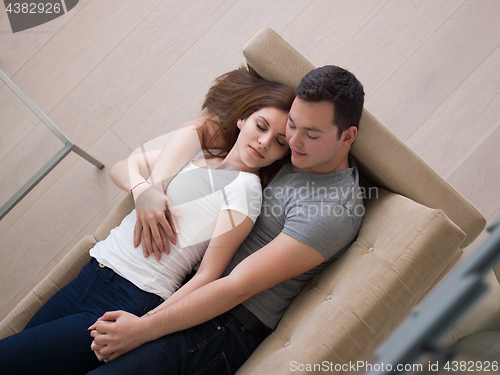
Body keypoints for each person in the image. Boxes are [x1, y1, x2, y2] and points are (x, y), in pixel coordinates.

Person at [0, 67, 295, 375]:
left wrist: (146, 324)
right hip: (92, 273)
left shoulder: (246, 192)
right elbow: (123, 167)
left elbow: (207, 275)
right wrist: (145, 191)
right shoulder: (203, 154)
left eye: (278, 143)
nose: (264, 143)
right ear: (242, 119)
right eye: (261, 126)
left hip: (130, 296)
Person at [86, 65, 366, 375]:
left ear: (347, 136)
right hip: (179, 290)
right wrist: (149, 189)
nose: (294, 141)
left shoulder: (331, 211)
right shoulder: (279, 149)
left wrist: (145, 327)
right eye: (293, 126)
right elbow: (201, 129)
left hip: (226, 325)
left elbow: (236, 286)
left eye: (310, 134)